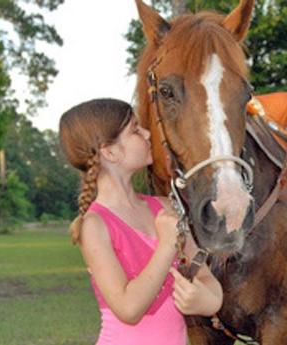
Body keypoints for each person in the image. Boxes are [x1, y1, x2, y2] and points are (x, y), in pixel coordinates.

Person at [59, 98, 223, 345]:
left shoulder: (167, 207)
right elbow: (128, 309)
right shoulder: (94, 225)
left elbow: (207, 278)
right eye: (135, 130)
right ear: (109, 152)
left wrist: (207, 300)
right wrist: (167, 244)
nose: (147, 134)